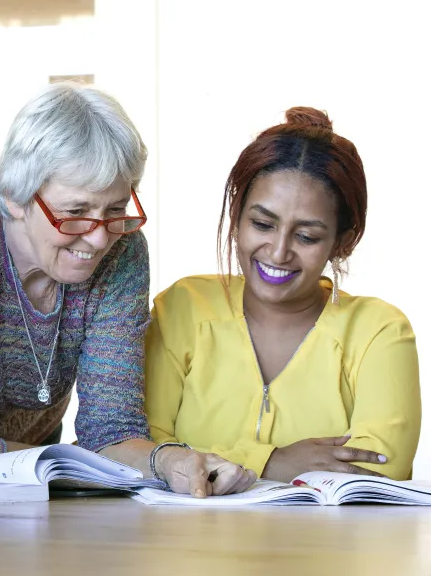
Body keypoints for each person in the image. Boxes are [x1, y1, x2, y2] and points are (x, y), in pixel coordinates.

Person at [0, 82, 254, 497]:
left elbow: (111, 428)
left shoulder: (122, 248)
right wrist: (86, 473)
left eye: (115, 209)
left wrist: (169, 462)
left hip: (30, 479)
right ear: (15, 196)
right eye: (75, 213)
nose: (98, 240)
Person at [145, 107, 420, 481]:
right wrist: (271, 461)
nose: (278, 252)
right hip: (188, 540)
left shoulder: (378, 331)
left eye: (306, 236)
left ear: (343, 241)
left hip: (328, 542)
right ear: (237, 217)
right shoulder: (183, 308)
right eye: (262, 224)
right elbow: (144, 450)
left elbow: (377, 467)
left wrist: (216, 463)